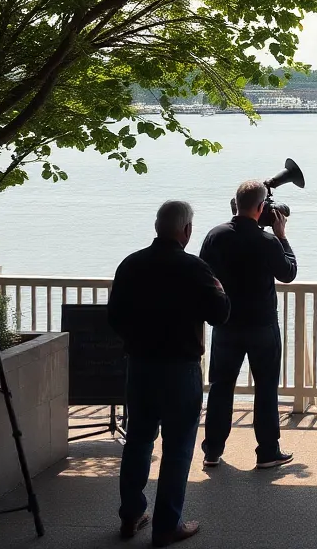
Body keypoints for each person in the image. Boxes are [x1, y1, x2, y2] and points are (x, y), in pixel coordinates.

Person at [108, 201, 230, 547]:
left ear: (157, 226)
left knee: (139, 441)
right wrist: (219, 289)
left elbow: (114, 316)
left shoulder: (131, 264)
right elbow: (220, 315)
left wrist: (136, 340)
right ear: (186, 230)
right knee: (177, 448)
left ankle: (131, 515)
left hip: (141, 366)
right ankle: (167, 525)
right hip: (180, 369)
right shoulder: (195, 268)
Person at [199, 179, 298, 469]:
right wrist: (281, 236)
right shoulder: (267, 241)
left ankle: (212, 451)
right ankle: (267, 452)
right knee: (266, 387)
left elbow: (203, 274)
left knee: (220, 386)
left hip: (226, 324)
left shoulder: (215, 235)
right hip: (262, 325)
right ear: (261, 207)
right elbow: (288, 272)